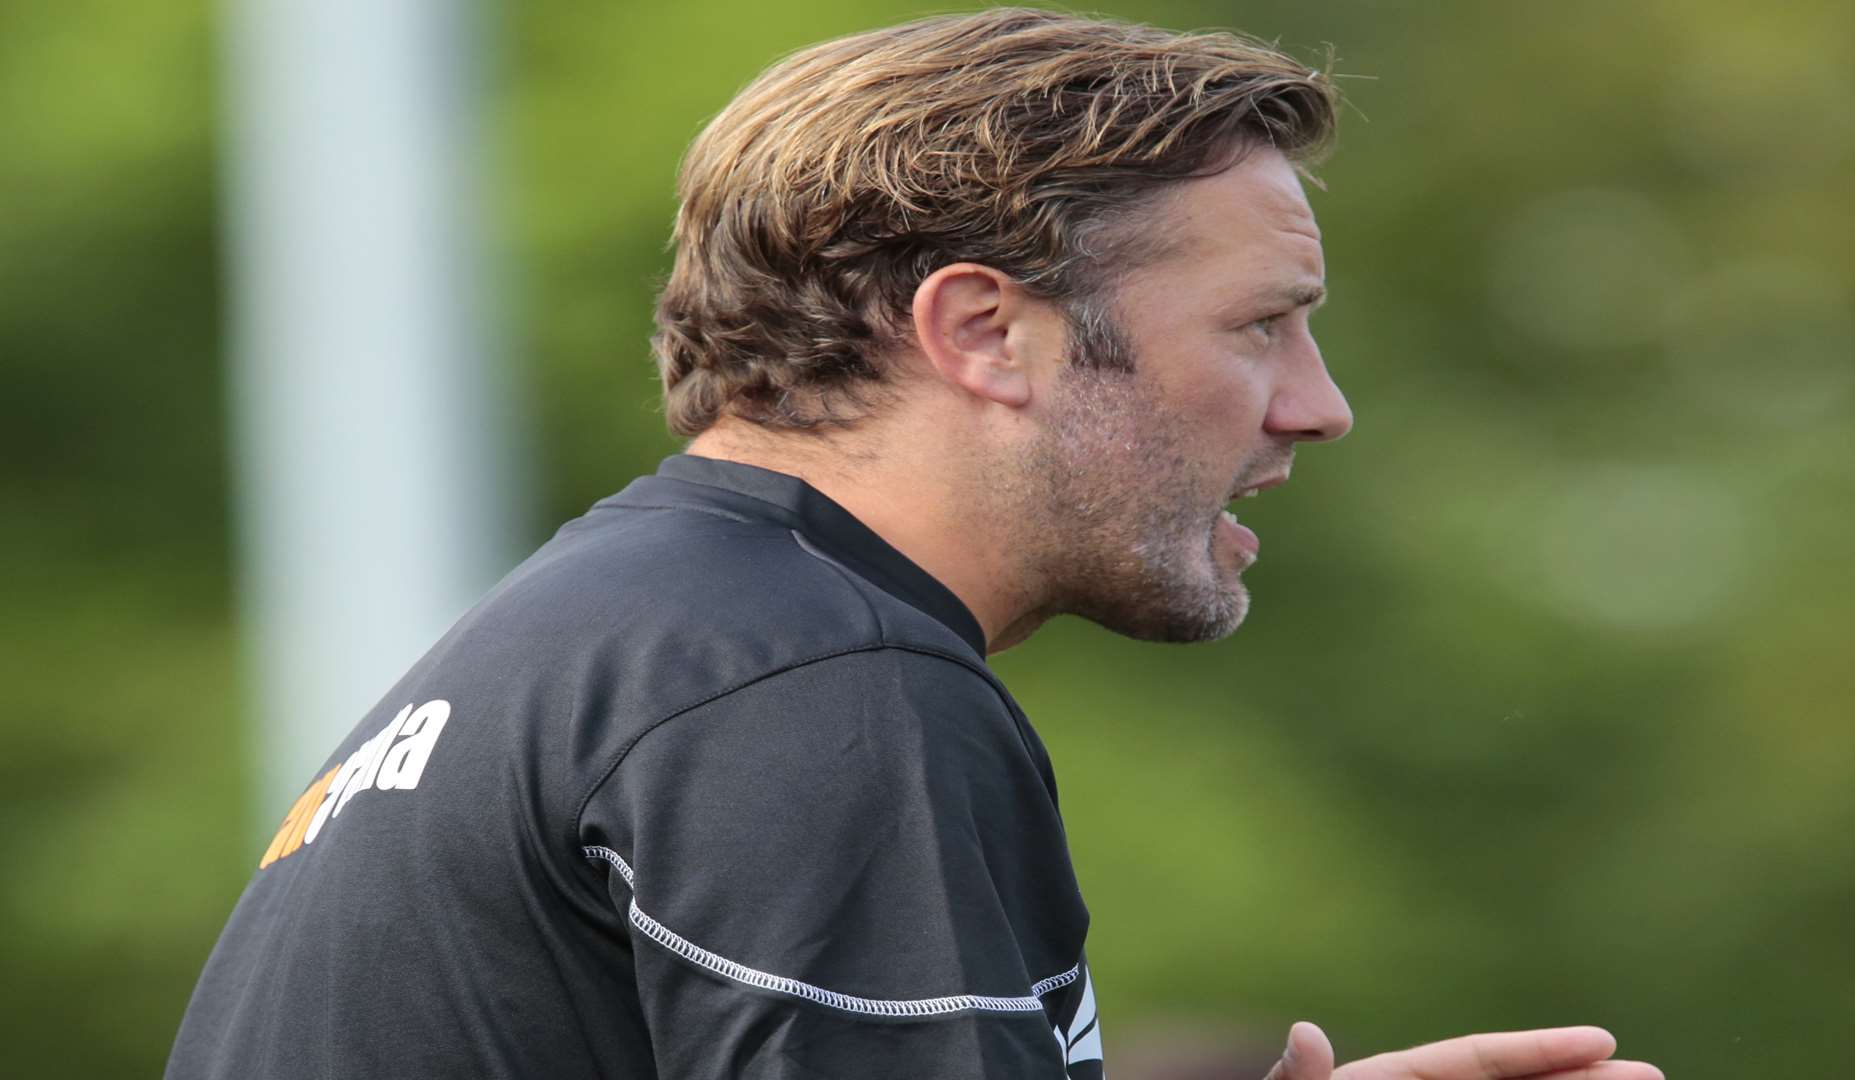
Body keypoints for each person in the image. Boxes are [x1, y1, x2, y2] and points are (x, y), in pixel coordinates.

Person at [169, 9, 1663, 1080]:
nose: (1319, 407)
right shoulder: (815, 687)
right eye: (1260, 326)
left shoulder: (640, 637)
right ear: (983, 333)